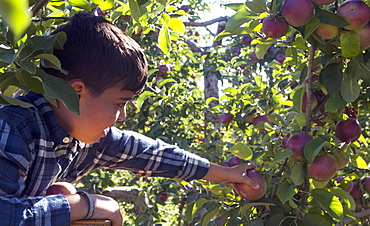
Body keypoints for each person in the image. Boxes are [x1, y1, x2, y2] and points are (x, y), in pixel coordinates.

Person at [0, 12, 259, 226]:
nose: (122, 117)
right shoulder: (13, 127)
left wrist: (227, 174)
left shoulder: (83, 138)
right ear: (77, 91)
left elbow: (155, 155)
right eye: (120, 103)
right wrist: (87, 205)